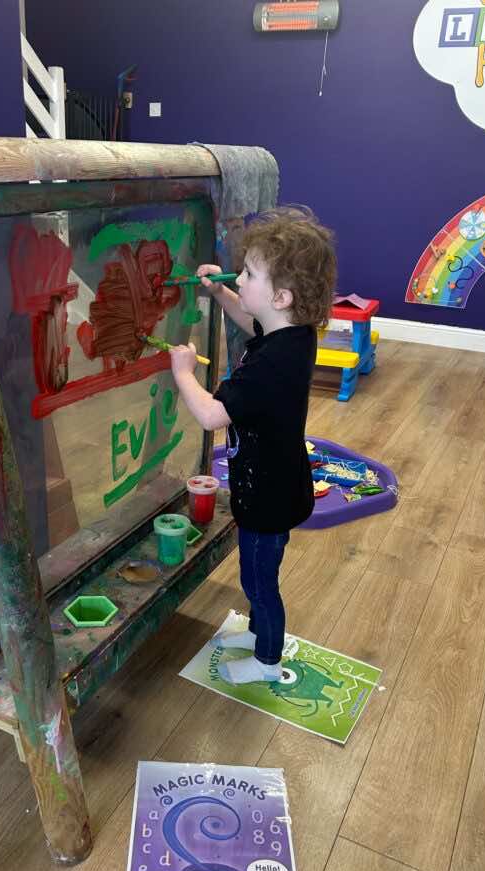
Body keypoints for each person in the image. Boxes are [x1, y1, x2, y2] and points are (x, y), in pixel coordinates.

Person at [170, 207, 336, 684]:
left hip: (267, 498)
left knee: (259, 582)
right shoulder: (294, 333)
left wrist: (184, 373)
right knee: (258, 576)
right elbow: (252, 317)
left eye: (247, 273)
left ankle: (267, 660)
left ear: (281, 295)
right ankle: (261, 634)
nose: (237, 276)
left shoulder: (267, 368)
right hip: (276, 485)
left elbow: (209, 414)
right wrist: (221, 290)